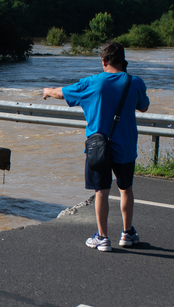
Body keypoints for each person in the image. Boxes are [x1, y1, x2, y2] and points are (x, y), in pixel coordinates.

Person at [42, 41, 150, 252]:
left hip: (98, 147)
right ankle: (127, 234)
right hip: (126, 145)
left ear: (103, 61)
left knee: (102, 191)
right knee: (126, 189)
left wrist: (48, 90)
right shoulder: (135, 82)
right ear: (123, 60)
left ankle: (102, 238)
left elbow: (62, 93)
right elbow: (144, 106)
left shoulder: (92, 83)